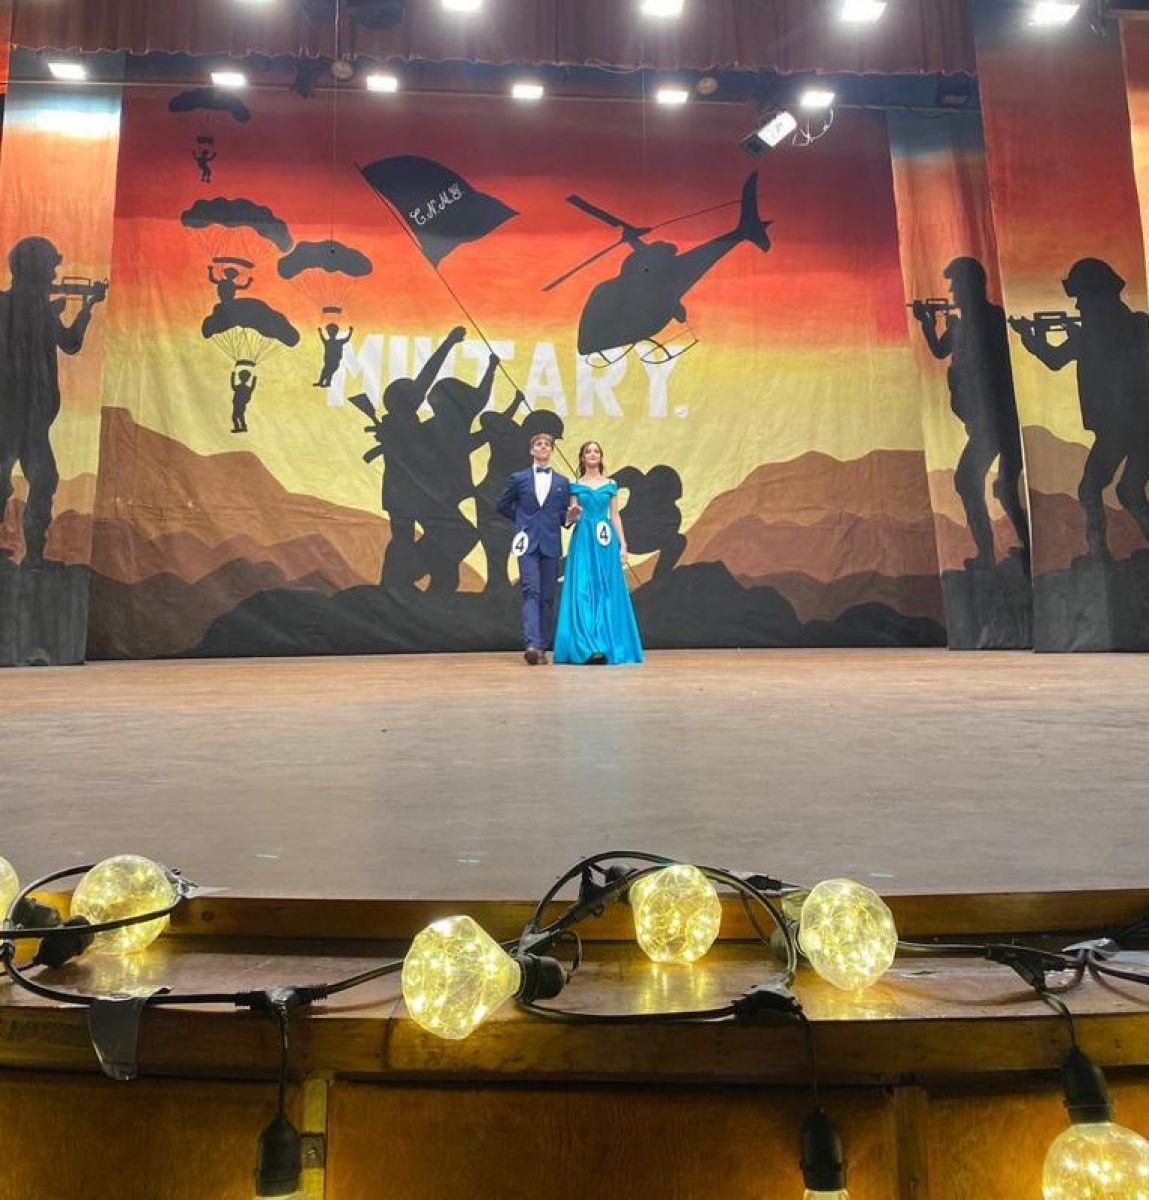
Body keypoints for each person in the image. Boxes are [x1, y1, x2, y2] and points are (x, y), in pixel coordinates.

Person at [1010, 258, 1149, 561]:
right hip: (1142, 426)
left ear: (1098, 297)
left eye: (1082, 299)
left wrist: (1030, 336)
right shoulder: (1139, 324)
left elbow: (1054, 359)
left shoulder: (1091, 335)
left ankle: (1098, 553)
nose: (1078, 306)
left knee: (1090, 488)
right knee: (1130, 490)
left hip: (1119, 428)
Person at [912, 257, 1029, 569]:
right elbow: (940, 351)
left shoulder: (989, 319)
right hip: (987, 422)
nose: (952, 292)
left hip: (996, 422)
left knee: (976, 483)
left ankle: (994, 556)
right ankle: (1011, 553)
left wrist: (954, 331)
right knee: (1001, 488)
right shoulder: (969, 323)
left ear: (971, 285)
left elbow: (987, 362)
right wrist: (929, 325)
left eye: (956, 285)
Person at [0, 237, 104, 567]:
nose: (54, 275)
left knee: (37, 480)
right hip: (20, 418)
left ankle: (33, 557)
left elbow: (67, 343)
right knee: (38, 480)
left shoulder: (30, 307)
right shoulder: (36, 309)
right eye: (50, 268)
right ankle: (33, 557)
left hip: (26, 419)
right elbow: (71, 343)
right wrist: (84, 309)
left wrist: (78, 309)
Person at [553, 441, 643, 665]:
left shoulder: (611, 484)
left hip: (605, 541)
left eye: (596, 451)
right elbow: (571, 519)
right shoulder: (575, 485)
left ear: (601, 457)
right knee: (582, 589)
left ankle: (606, 643)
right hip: (583, 540)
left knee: (606, 589)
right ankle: (586, 645)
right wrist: (572, 515)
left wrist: (623, 545)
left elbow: (615, 516)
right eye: (588, 451)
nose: (592, 454)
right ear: (582, 458)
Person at [497, 431, 572, 665]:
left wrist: (570, 517)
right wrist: (522, 521)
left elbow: (562, 517)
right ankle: (531, 644)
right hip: (527, 542)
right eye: (538, 444)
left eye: (547, 445)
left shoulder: (562, 482)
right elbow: (502, 505)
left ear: (551, 450)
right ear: (531, 450)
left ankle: (542, 646)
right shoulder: (519, 478)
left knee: (547, 596)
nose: (543, 447)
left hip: (551, 542)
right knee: (531, 590)